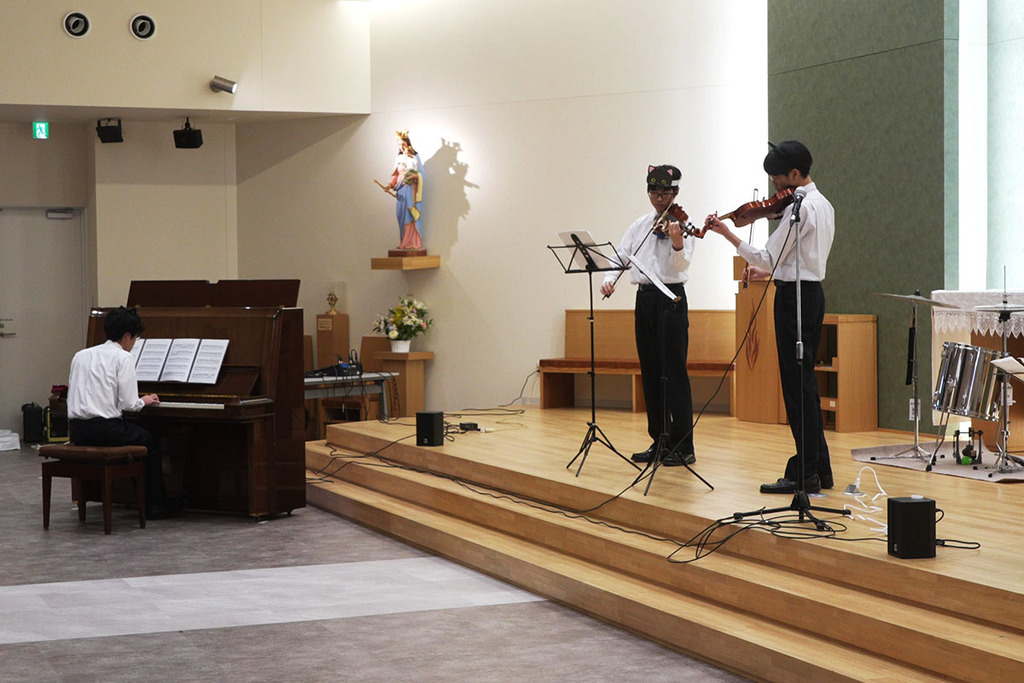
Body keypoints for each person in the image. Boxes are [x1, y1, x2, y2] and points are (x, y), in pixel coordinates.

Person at [705, 140, 835, 493]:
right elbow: (801, 258)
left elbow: (766, 255)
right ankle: (820, 469)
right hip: (811, 294)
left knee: (796, 388)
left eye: (777, 177)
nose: (774, 186)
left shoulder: (800, 209)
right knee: (805, 385)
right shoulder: (824, 204)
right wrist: (770, 271)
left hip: (795, 301)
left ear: (794, 173)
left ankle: (804, 472)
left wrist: (728, 234)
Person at [600, 165, 696, 467]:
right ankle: (660, 439)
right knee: (651, 372)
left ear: (675, 192)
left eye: (665, 192)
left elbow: (682, 266)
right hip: (644, 300)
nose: (659, 197)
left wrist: (678, 243)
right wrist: (610, 279)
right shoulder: (640, 224)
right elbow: (621, 255)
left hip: (671, 299)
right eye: (654, 191)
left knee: (674, 373)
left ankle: (684, 445)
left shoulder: (682, 224)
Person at [66, 306, 181, 518]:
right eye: (136, 338)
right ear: (127, 335)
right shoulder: (123, 357)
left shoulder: (81, 355)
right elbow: (129, 404)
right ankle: (155, 505)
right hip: (105, 430)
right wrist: (144, 400)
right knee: (149, 442)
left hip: (78, 430)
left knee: (137, 435)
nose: (134, 343)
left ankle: (137, 499)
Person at [376, 130, 425, 251]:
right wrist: (389, 185)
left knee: (409, 212)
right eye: (399, 145)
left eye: (403, 144)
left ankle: (412, 242)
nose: (401, 147)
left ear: (408, 144)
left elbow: (422, 174)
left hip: (410, 188)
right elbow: (395, 175)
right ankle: (404, 241)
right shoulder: (399, 158)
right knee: (400, 214)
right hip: (400, 190)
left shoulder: (414, 158)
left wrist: (415, 176)